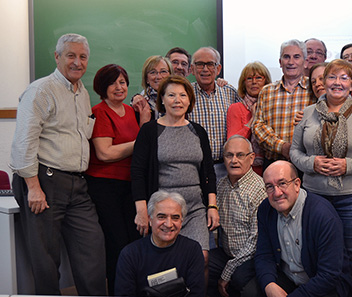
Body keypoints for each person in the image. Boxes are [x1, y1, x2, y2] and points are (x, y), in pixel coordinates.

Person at [9, 33, 106, 295]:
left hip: (77, 184)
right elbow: (23, 143)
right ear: (57, 56)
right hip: (44, 180)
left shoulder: (82, 91)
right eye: (70, 56)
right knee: (46, 260)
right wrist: (33, 187)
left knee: (92, 251)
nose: (77, 62)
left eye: (83, 57)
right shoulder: (41, 90)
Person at [290, 59, 352, 297]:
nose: (337, 83)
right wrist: (313, 163)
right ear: (323, 81)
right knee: (320, 256)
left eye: (344, 78)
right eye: (332, 77)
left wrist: (347, 166)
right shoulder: (308, 114)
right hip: (316, 197)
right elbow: (294, 152)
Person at [131, 75, 218, 274]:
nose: (177, 100)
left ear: (189, 100)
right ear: (162, 99)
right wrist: (142, 211)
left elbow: (208, 172)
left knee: (201, 258)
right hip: (163, 210)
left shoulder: (198, 131)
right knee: (167, 264)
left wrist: (212, 206)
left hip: (195, 208)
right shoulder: (149, 131)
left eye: (182, 95)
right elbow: (137, 172)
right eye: (171, 95)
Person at [85, 64, 149, 295]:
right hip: (105, 186)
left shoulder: (132, 112)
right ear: (102, 87)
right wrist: (140, 140)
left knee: (134, 242)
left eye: (122, 82)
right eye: (112, 83)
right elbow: (105, 153)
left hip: (130, 184)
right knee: (117, 244)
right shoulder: (99, 111)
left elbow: (142, 147)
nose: (119, 87)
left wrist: (145, 120)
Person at [255, 160, 350, 297]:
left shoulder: (322, 215)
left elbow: (329, 275)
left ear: (297, 184)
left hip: (321, 288)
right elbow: (264, 254)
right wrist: (269, 285)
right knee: (251, 288)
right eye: (269, 186)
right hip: (288, 279)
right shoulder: (266, 209)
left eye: (282, 183)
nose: (276, 193)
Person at [115, 191, 205, 297]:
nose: (168, 224)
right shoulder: (130, 254)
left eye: (175, 217)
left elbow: (197, 293)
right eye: (161, 217)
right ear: (150, 219)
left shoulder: (192, 250)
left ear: (182, 221)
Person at [208, 135, 267, 297]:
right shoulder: (221, 185)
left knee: (238, 279)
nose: (234, 160)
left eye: (240, 155)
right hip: (226, 253)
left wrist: (227, 271)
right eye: (229, 155)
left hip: (251, 257)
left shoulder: (258, 190)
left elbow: (255, 242)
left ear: (251, 158)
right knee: (200, 263)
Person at [253, 39, 315, 169]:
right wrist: (282, 147)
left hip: (307, 164)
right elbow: (258, 126)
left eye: (296, 57)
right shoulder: (267, 91)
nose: (291, 62)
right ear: (280, 62)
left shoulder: (314, 88)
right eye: (286, 57)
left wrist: (297, 150)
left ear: (305, 62)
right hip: (273, 163)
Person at [189, 46, 241, 180]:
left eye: (210, 64)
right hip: (194, 168)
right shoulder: (184, 93)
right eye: (200, 64)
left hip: (225, 168)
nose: (205, 69)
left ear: (218, 69)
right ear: (192, 69)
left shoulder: (230, 92)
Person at [226, 61, 272, 175]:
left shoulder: (272, 107)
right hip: (244, 171)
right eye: (249, 78)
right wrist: (253, 120)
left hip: (271, 167)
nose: (254, 82)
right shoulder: (235, 108)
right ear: (244, 83)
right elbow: (233, 143)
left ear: (266, 81)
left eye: (258, 78)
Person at [131, 55, 173, 120]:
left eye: (163, 71)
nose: (158, 77)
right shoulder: (139, 103)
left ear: (170, 75)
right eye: (153, 72)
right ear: (147, 79)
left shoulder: (179, 99)